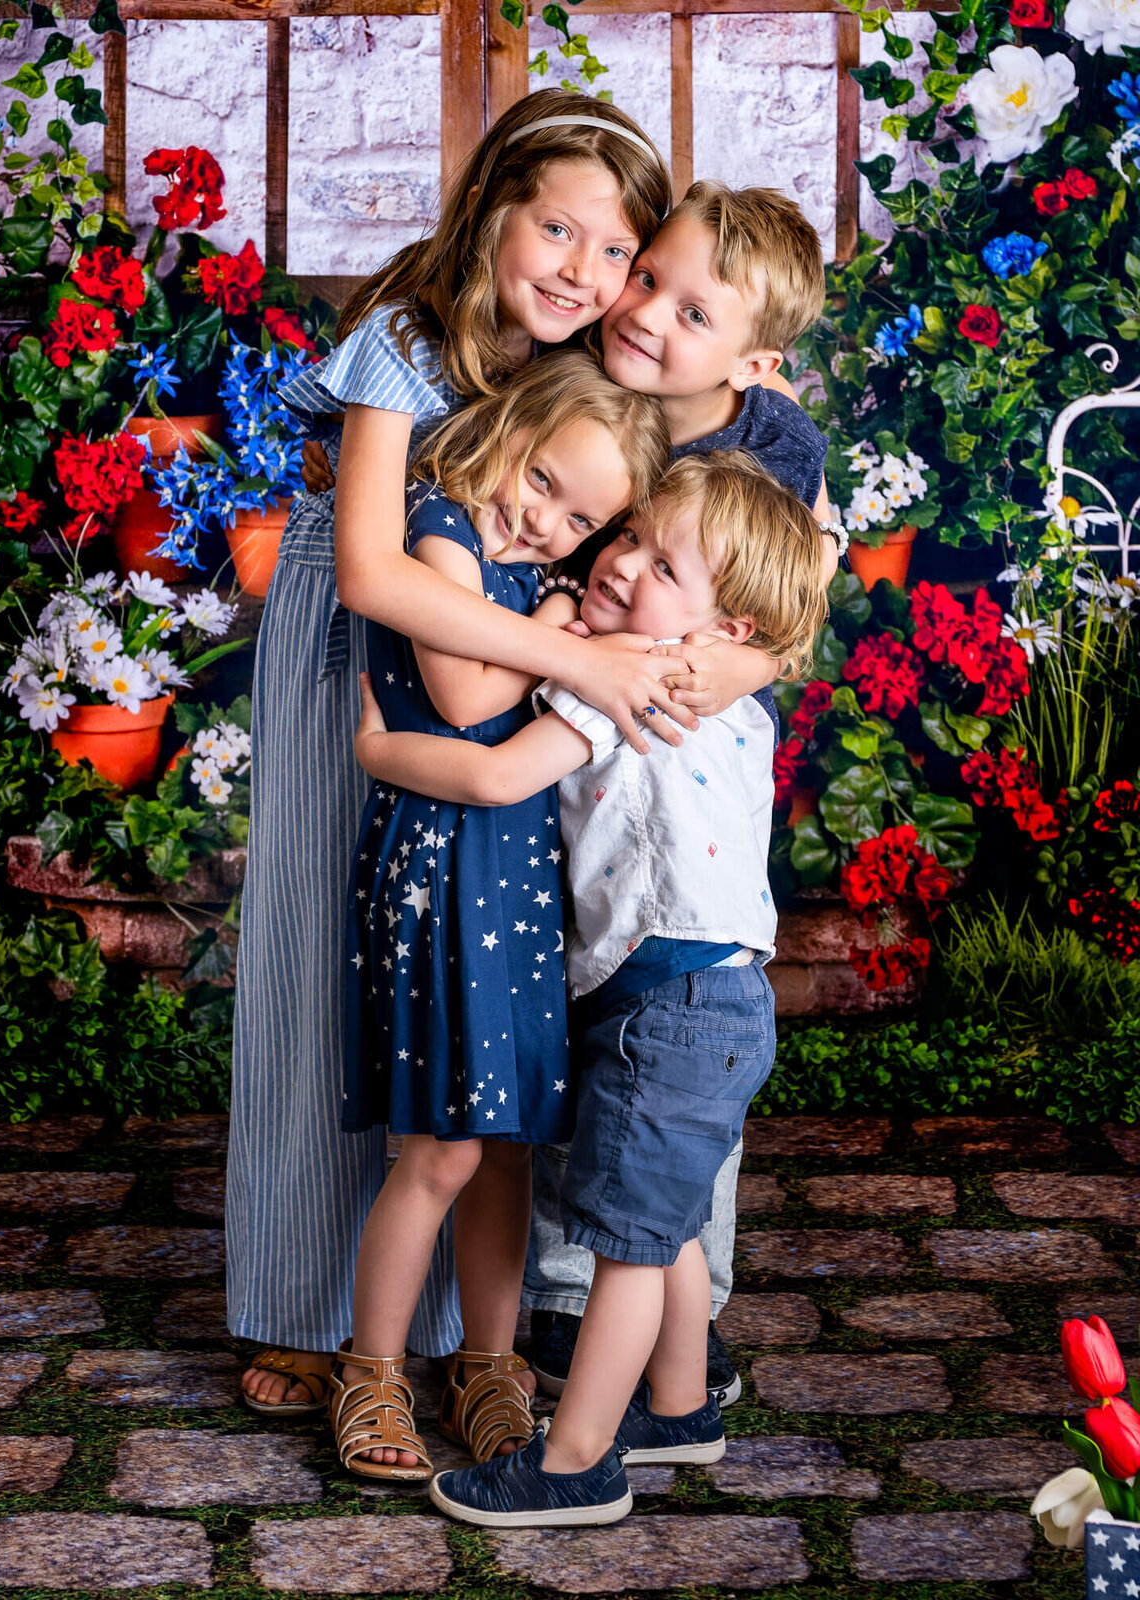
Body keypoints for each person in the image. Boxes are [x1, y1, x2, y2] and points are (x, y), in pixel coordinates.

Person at [229, 90, 696, 1416]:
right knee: (327, 967)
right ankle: (305, 1309)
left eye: (617, 252)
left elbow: (686, 445)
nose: (585, 272)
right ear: (495, 206)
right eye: (558, 229)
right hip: (358, 661)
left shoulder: (585, 357)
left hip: (488, 685)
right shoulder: (407, 336)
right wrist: (579, 661)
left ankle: (452, 1330)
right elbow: (378, 573)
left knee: (455, 1012)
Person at [352, 451, 830, 1525]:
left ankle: (574, 1465)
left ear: (727, 631)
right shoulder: (727, 694)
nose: (623, 563)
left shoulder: (633, 680)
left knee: (626, 1244)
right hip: (716, 995)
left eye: (663, 564)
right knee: (666, 1215)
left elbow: (500, 774)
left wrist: (383, 751)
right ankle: (677, 1404)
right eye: (630, 538)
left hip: (668, 999)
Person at [524, 180, 844, 1402]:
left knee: (677, 1041)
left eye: (689, 307)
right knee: (590, 1001)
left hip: (688, 762)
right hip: (586, 739)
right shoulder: (583, 379)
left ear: (755, 359)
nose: (645, 309)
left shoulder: (770, 446)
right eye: (644, 274)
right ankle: (572, 1288)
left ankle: (675, 1313)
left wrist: (697, 665)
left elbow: (798, 590)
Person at [331, 351, 669, 1482]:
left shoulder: (535, 576)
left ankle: (488, 1364)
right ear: (508, 430)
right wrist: (576, 635)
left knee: (508, 1138)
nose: (544, 521)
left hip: (510, 870)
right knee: (440, 1145)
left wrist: (566, 609)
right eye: (540, 482)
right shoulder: (441, 530)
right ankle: (371, 1367)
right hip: (438, 864)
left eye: (578, 518)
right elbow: (472, 695)